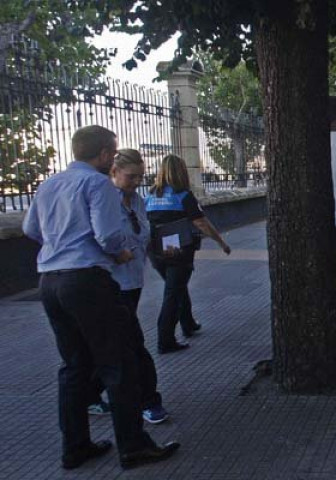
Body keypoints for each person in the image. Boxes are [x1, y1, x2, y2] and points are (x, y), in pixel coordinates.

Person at [22, 125, 179, 470]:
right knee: (117, 362)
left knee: (74, 367)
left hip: (50, 280)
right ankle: (133, 445)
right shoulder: (97, 185)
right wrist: (119, 254)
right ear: (107, 154)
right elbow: (108, 235)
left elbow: (30, 230)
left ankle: (75, 447)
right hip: (88, 280)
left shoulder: (49, 184)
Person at [86, 149, 170, 424]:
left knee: (115, 341)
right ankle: (148, 400)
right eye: (131, 176)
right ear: (114, 172)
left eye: (140, 177)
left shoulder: (137, 201)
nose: (136, 182)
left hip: (133, 280)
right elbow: (101, 237)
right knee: (133, 343)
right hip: (111, 282)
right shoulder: (102, 200)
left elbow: (143, 234)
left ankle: (90, 392)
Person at [146, 154, 231, 353]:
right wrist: (221, 242)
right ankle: (165, 340)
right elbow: (201, 222)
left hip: (155, 250)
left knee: (176, 285)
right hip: (177, 249)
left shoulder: (150, 195)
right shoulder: (183, 195)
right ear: (181, 172)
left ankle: (188, 322)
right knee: (173, 293)